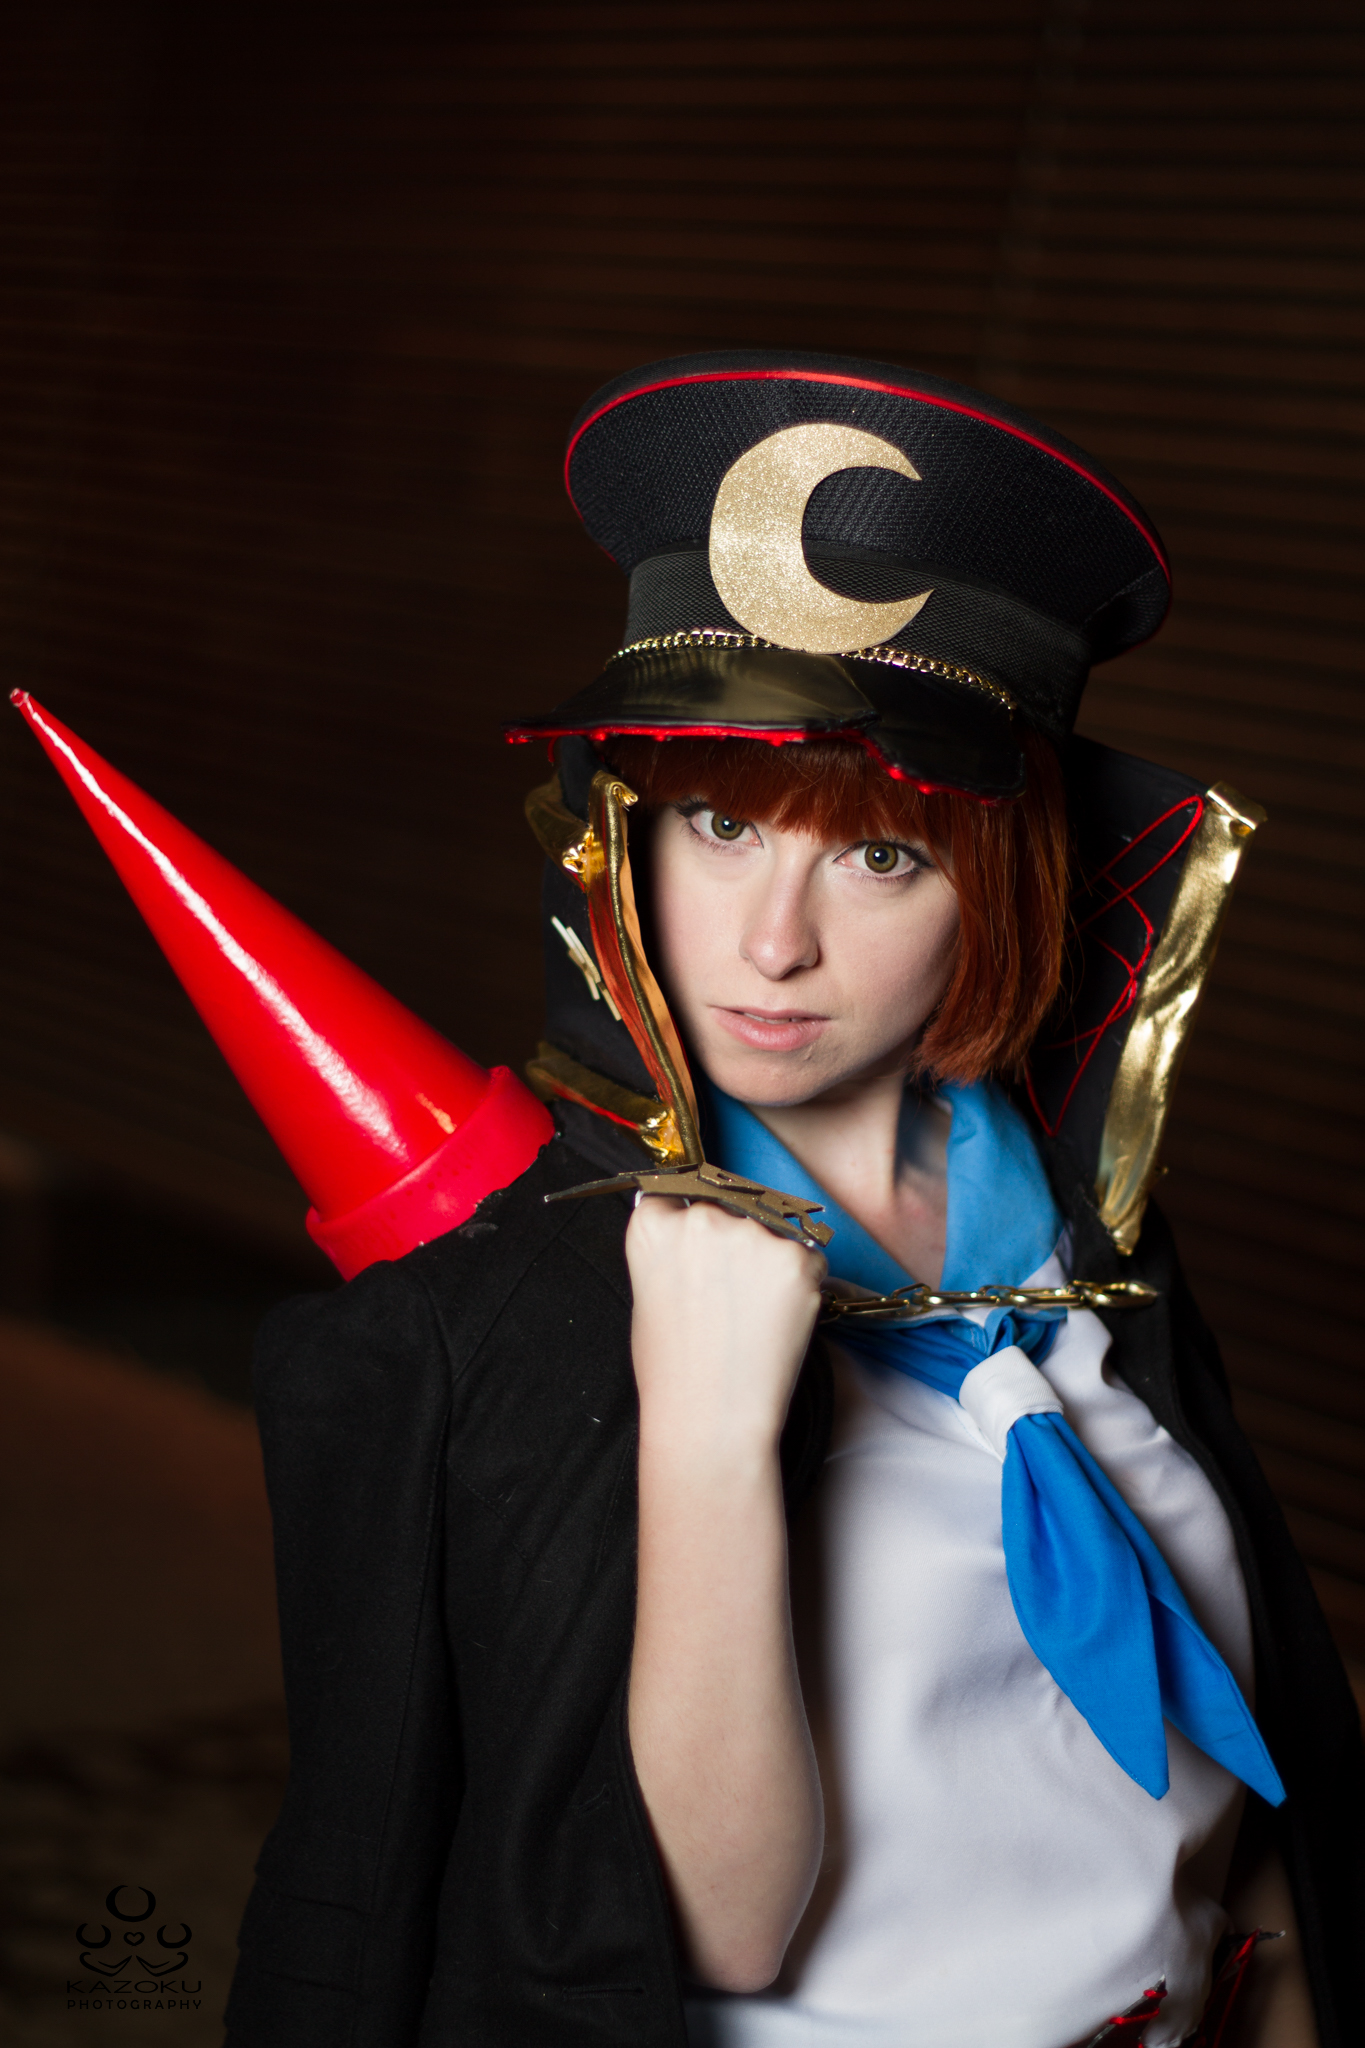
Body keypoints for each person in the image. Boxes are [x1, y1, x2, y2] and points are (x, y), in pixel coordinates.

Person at [205, 352, 1359, 2046]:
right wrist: (705, 1438)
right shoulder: (495, 1325)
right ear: (615, 841)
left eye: (880, 855)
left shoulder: (1086, 1242)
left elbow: (1236, 1798)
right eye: (717, 826)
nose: (771, 944)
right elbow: (704, 1935)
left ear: (1007, 885)